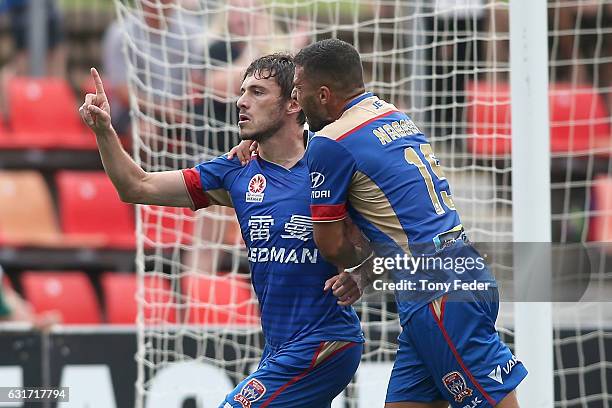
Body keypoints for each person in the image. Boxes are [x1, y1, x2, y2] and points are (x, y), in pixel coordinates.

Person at [79, 54, 365, 408]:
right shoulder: (236, 171)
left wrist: (363, 274)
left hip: (326, 341)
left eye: (257, 92)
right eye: (242, 91)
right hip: (279, 346)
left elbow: (395, 237)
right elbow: (137, 187)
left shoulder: (333, 163)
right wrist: (105, 132)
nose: (241, 101)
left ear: (293, 103)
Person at [292, 39, 528, 408]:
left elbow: (330, 245)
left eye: (299, 90)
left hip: (437, 292)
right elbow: (406, 225)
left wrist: (347, 242)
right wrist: (365, 273)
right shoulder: (393, 116)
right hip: (456, 272)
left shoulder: (330, 142)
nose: (296, 101)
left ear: (323, 94)